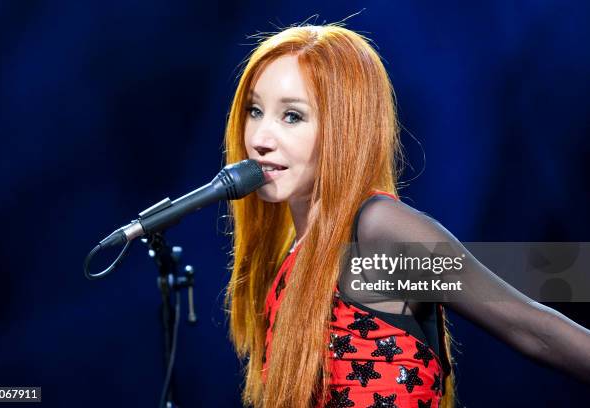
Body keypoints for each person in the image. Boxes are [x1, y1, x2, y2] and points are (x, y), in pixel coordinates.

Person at [223, 24, 590, 408]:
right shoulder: (294, 257)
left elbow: (533, 329)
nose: (260, 138)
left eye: (292, 116)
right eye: (255, 110)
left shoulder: (379, 230)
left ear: (345, 126)